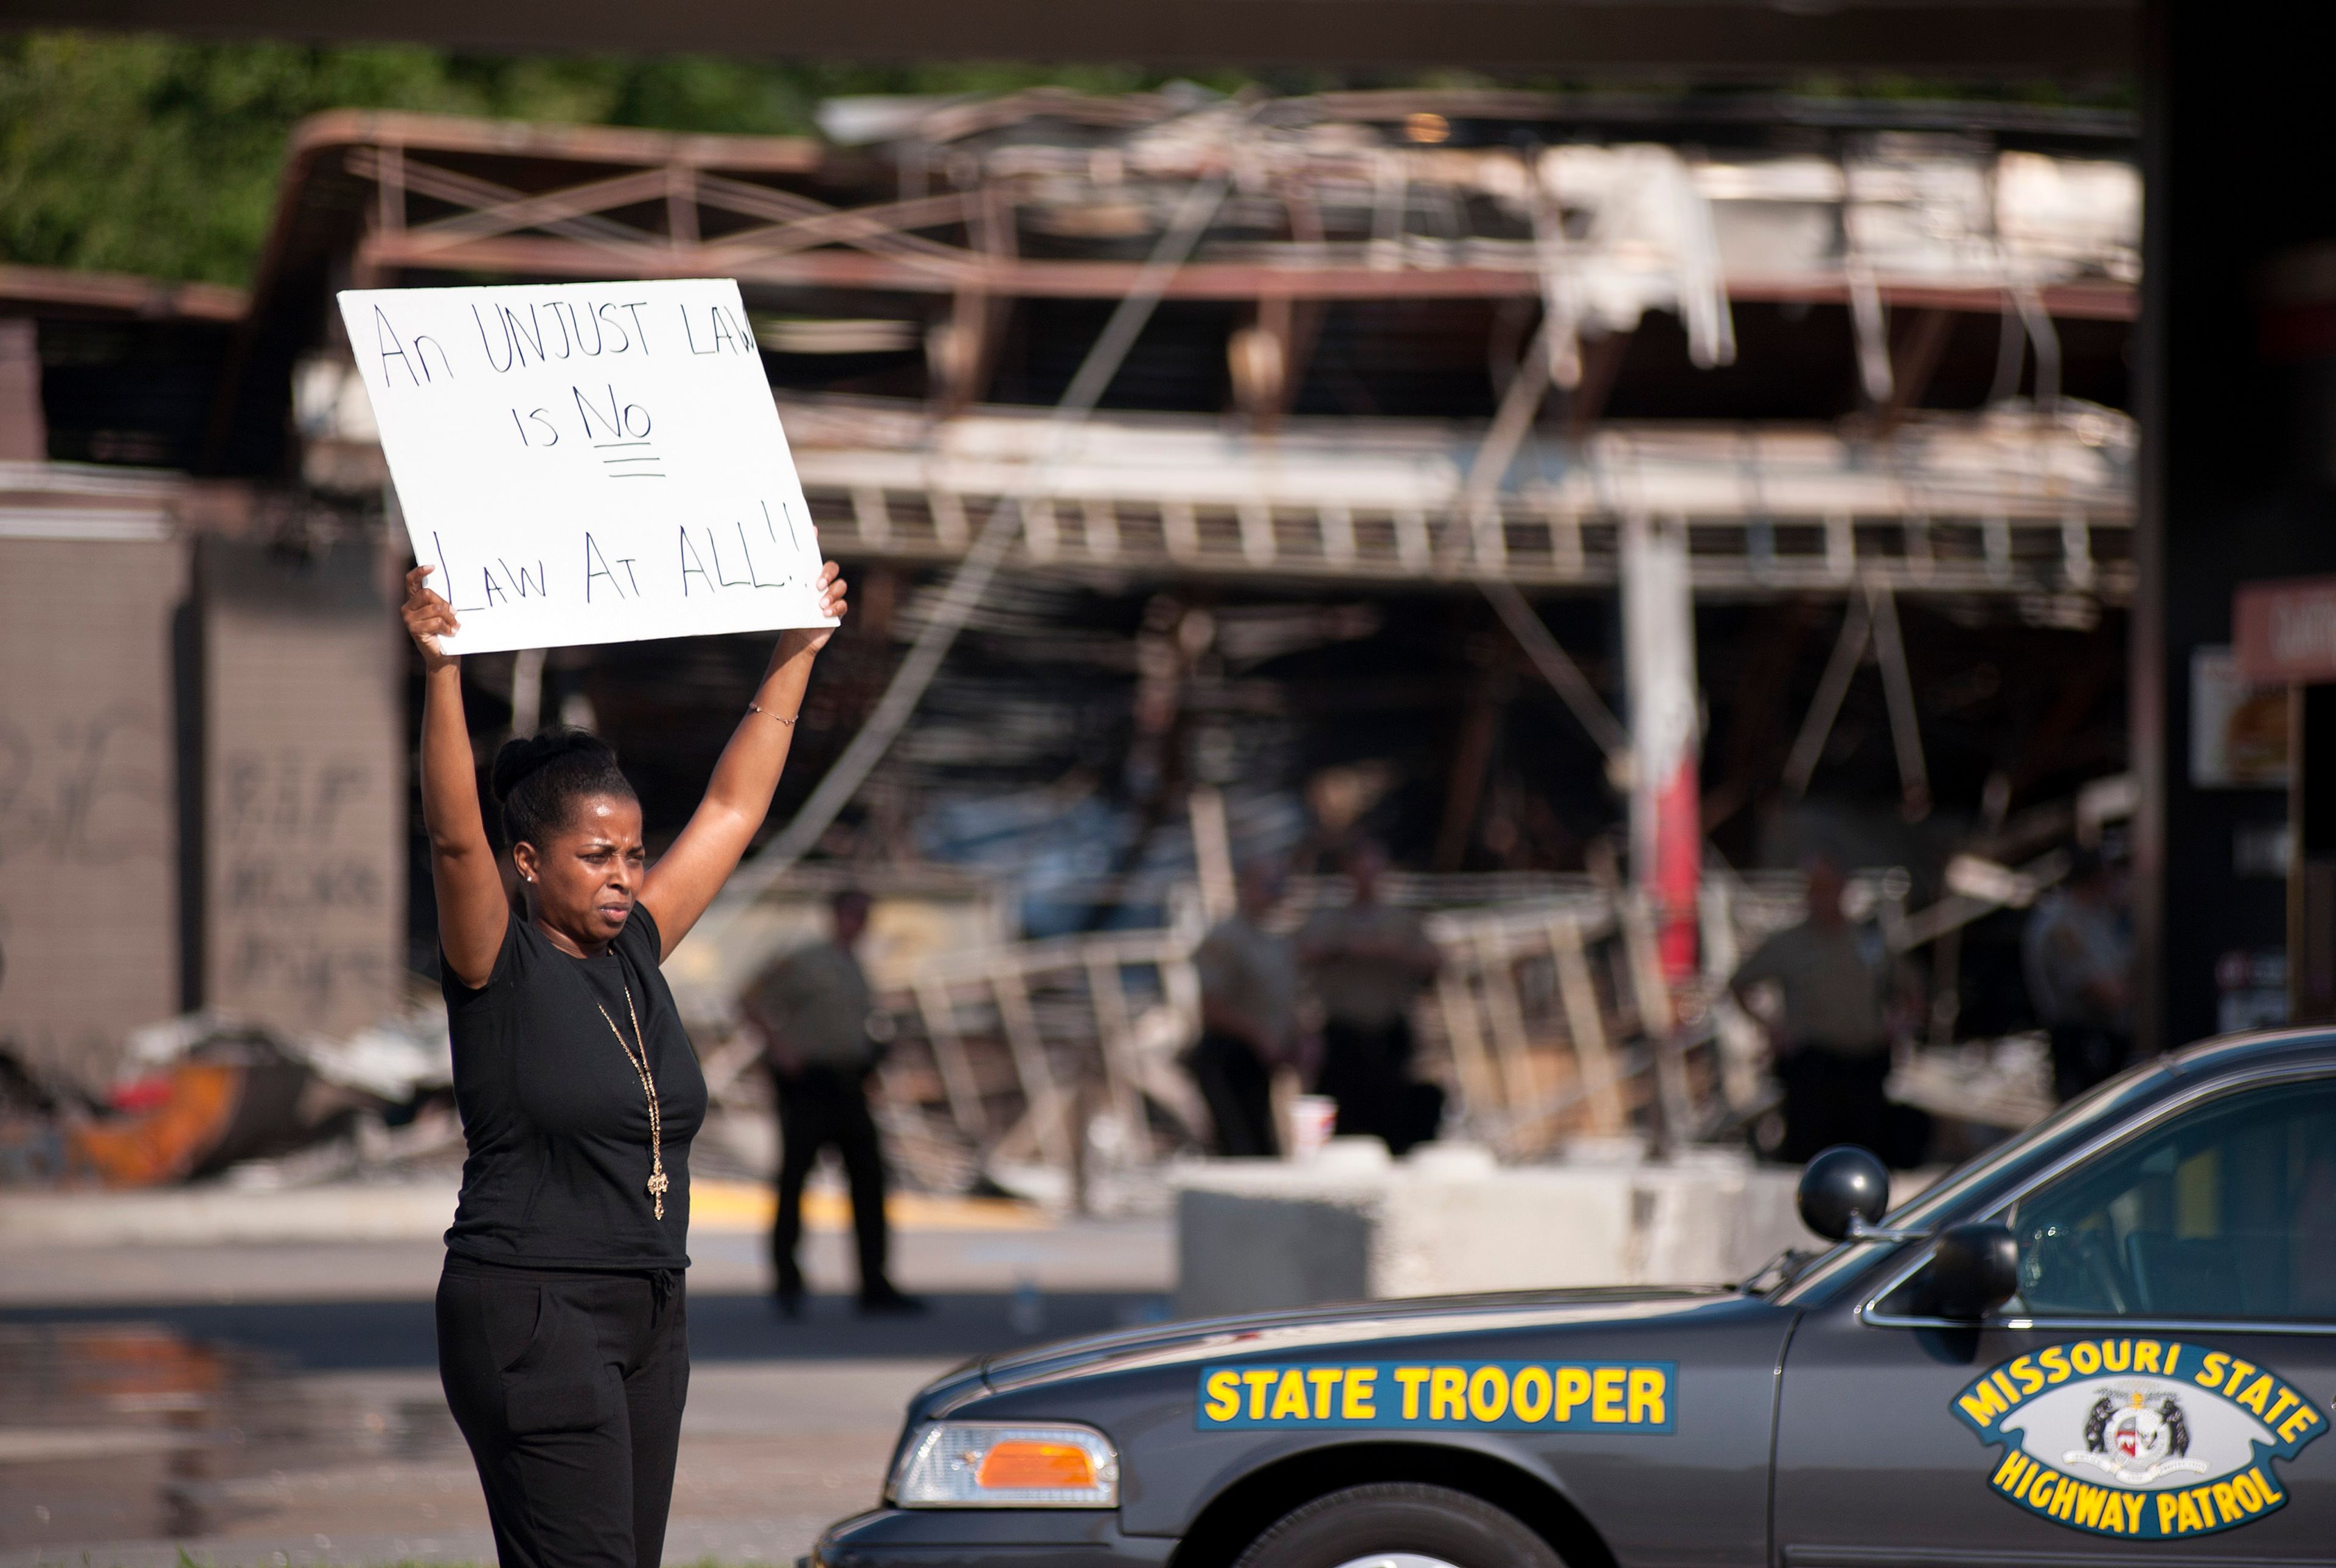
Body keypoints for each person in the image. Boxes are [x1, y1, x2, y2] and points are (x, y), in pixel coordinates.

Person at [404, 557, 847, 1568]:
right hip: (532, 1307)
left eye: (634, 854)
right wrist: (439, 674)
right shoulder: (495, 962)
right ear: (531, 862)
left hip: (649, 1309)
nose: (623, 876)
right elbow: (452, 839)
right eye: (596, 856)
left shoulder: (639, 944)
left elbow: (733, 809)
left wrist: (796, 650)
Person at [741, 889, 921, 1317]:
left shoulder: (855, 967)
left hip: (850, 1084)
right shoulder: (808, 960)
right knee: (794, 1181)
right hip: (810, 1084)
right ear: (835, 916)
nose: (858, 924)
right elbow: (751, 999)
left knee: (869, 1181)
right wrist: (782, 1050)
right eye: (852, 915)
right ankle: (787, 1280)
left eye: (864, 916)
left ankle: (873, 1283)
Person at [1729, 855, 1896, 1165]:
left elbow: (1907, 986)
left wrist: (1899, 1025)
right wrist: (1772, 1029)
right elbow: (1739, 983)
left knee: (1865, 1155)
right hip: (1814, 1066)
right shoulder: (1790, 943)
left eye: (1829, 888)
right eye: (1816, 889)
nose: (1823, 897)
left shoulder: (1867, 940)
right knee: (1808, 1154)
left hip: (1863, 1065)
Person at [1297, 841, 1444, 1154]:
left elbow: (1435, 961)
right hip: (1344, 1031)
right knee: (1344, 1115)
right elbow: (1301, 956)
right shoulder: (1328, 921)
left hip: (1389, 1028)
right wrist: (1346, 949)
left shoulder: (1402, 921)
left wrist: (1390, 952)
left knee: (1397, 1109)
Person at [1187, 862, 1298, 1157]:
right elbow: (1211, 1006)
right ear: (1245, 888)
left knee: (1265, 1144)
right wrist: (1259, 1036)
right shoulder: (1225, 938)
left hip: (1262, 1058)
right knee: (1241, 1147)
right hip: (1229, 1056)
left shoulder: (1274, 941)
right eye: (1267, 885)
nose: (1275, 894)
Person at [2022, 847, 2133, 1101]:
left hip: (2106, 1045)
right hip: (2082, 1046)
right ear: (2095, 878)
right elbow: (2103, 994)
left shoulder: (2097, 916)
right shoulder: (2062, 925)